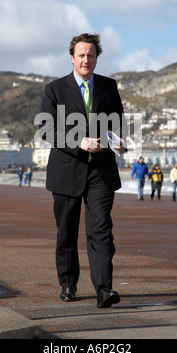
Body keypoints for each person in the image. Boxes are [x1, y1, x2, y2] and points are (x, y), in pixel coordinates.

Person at [37, 33, 126, 308]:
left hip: (101, 171)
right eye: (81, 54)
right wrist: (79, 141)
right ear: (72, 57)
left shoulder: (109, 87)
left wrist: (118, 140)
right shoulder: (55, 89)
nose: (86, 59)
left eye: (91, 55)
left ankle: (104, 289)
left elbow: (117, 123)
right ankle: (68, 283)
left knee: (101, 230)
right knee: (67, 231)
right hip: (66, 170)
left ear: (97, 58)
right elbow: (45, 129)